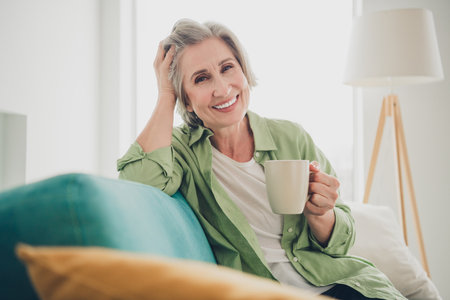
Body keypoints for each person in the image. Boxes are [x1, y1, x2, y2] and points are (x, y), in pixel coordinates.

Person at [117, 19, 405, 300]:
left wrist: (322, 215)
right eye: (201, 78)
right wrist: (166, 95)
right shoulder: (181, 151)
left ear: (243, 72)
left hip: (344, 286)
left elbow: (343, 241)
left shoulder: (291, 136)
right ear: (187, 99)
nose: (222, 88)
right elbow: (139, 184)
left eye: (227, 68)